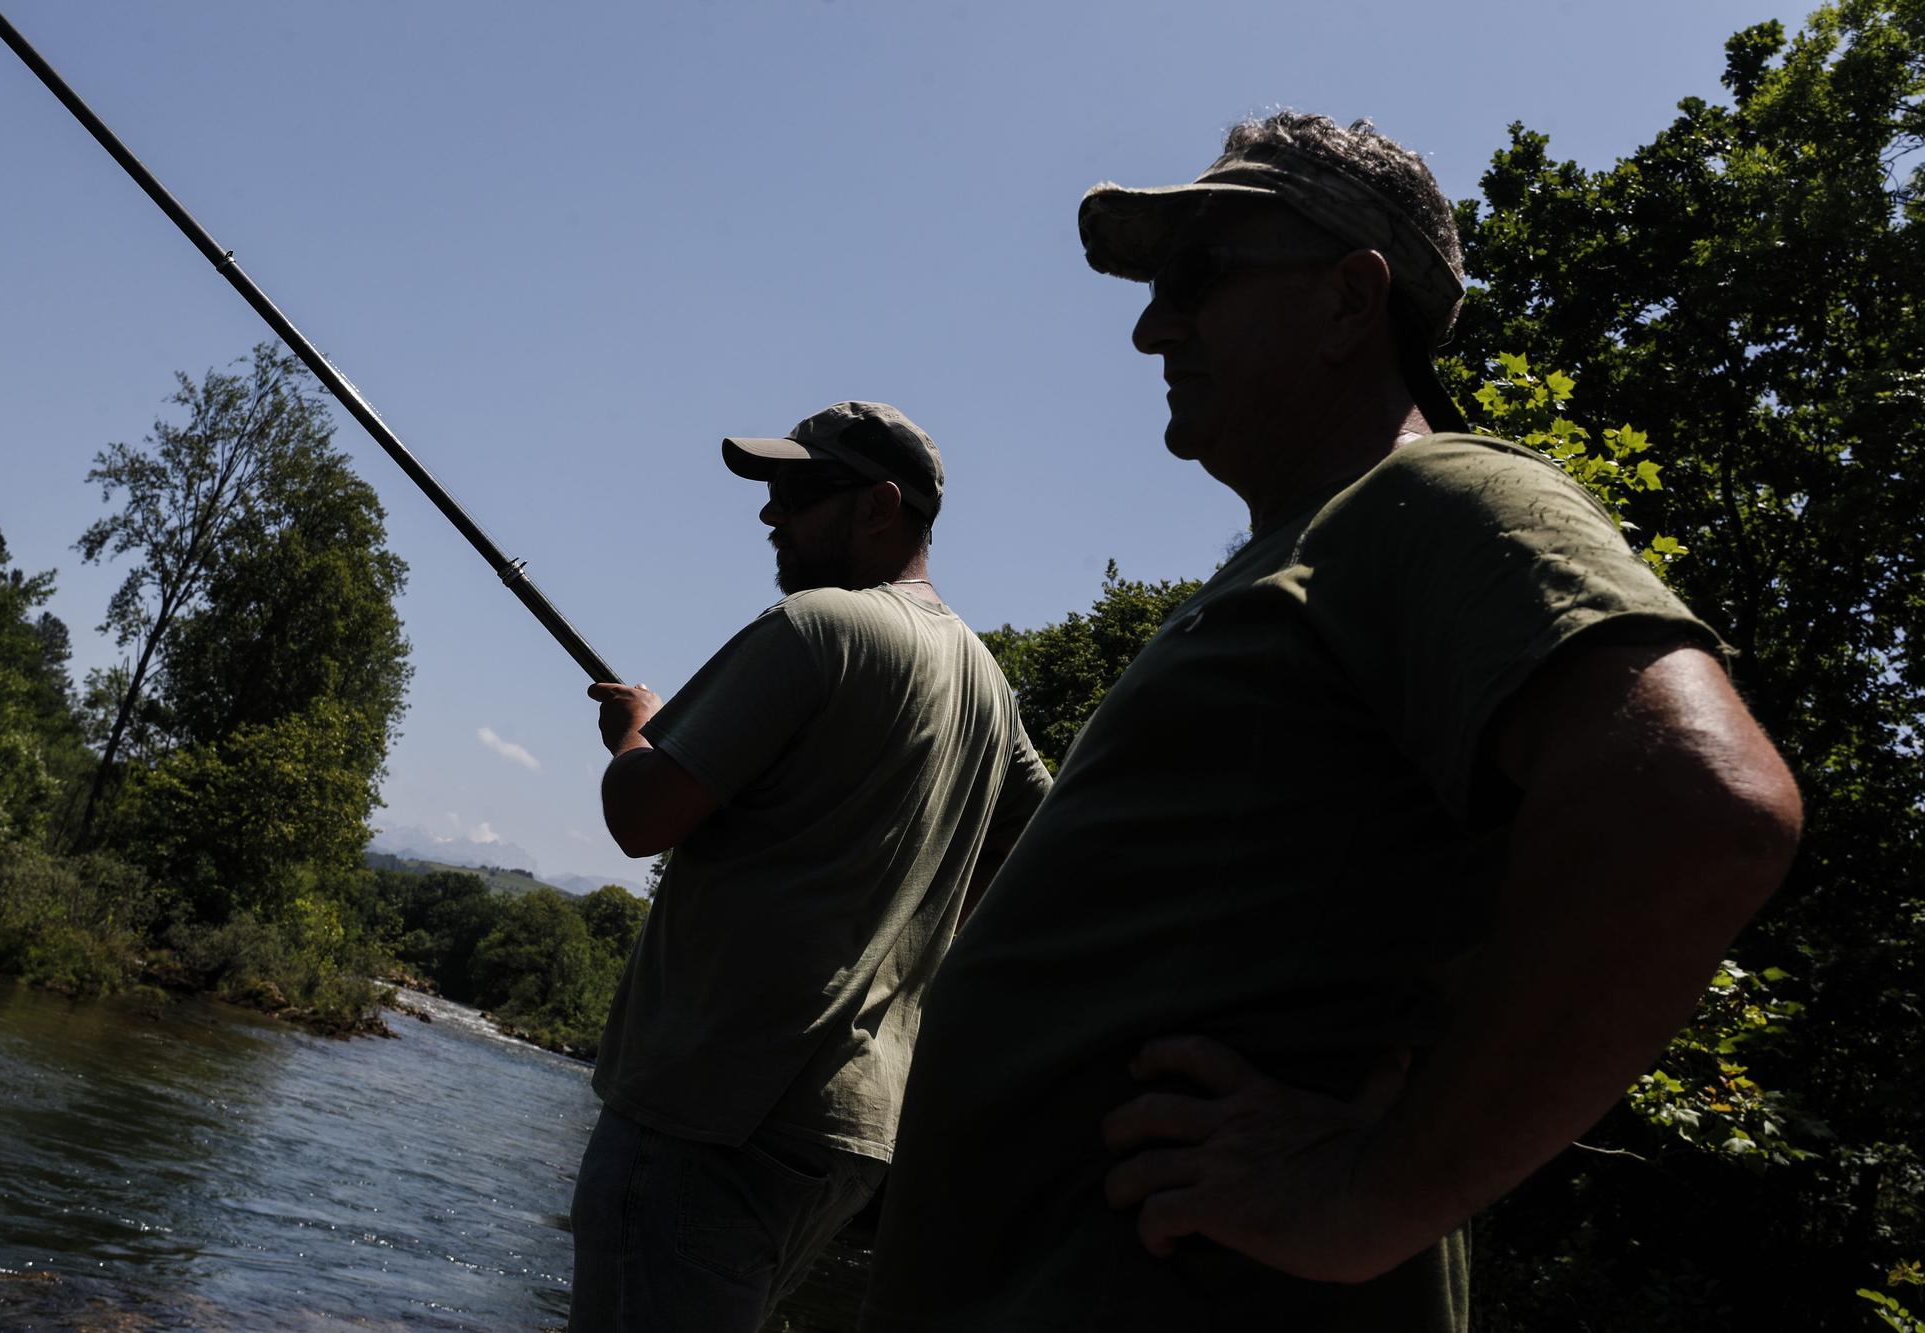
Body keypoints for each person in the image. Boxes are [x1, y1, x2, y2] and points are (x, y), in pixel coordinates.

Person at [862, 113, 1803, 1331]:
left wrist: (1369, 1196)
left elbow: (1698, 808)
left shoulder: (1440, 492)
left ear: (1352, 300)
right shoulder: (1301, 558)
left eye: (1199, 277)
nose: (1154, 326)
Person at [568, 401, 1052, 1333]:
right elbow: (1042, 850)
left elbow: (642, 816)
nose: (770, 514)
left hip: (708, 1110)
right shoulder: (990, 689)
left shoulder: (816, 627)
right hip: (846, 1134)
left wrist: (634, 733)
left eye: (797, 490)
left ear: (878, 506)